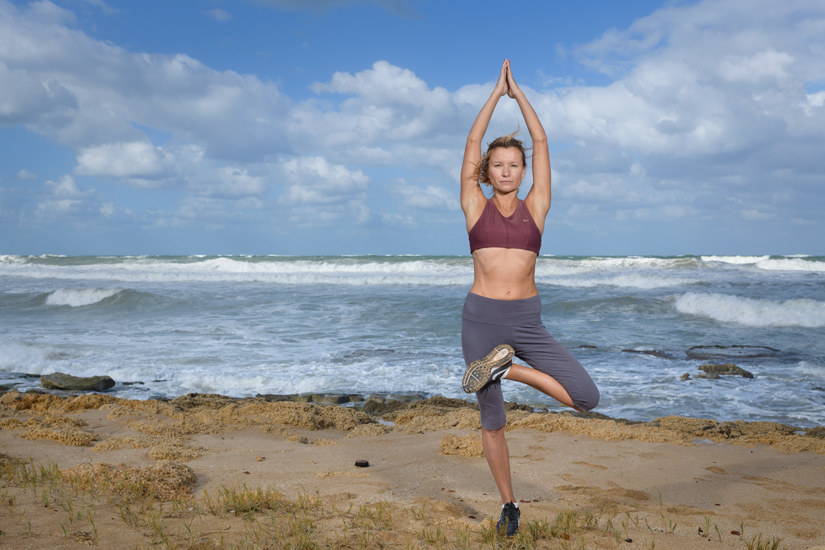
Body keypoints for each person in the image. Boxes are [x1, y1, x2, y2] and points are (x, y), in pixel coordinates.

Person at [459, 60, 600, 537]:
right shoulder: (473, 204)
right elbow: (470, 144)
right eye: (497, 164)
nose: (504, 169)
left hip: (526, 322)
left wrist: (516, 95)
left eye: (512, 164)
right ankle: (509, 505)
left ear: (523, 171)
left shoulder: (536, 207)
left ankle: (508, 367)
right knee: (492, 418)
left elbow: (541, 142)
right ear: (488, 171)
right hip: (480, 319)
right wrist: (491, 97)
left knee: (585, 397)